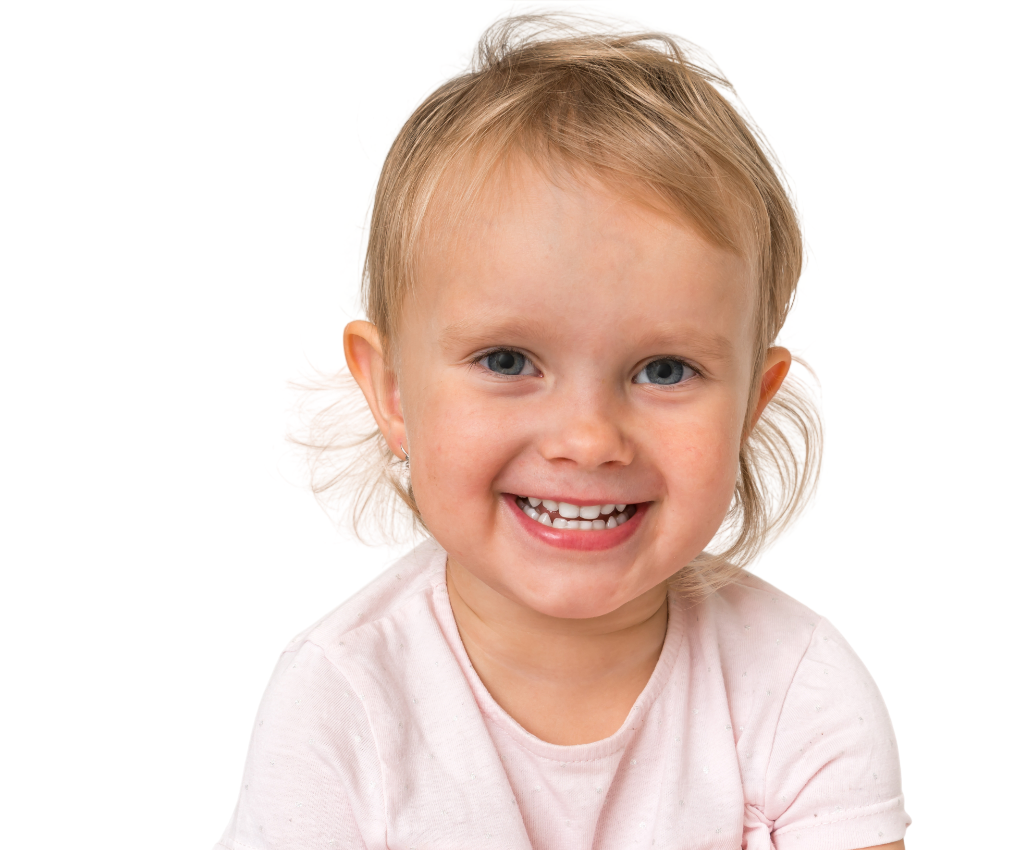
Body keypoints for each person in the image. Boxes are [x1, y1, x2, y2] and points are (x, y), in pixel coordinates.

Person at [218, 3, 908, 848]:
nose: (587, 439)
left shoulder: (797, 686)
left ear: (751, 408)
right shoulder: (343, 696)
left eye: (664, 370)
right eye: (508, 360)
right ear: (394, 392)